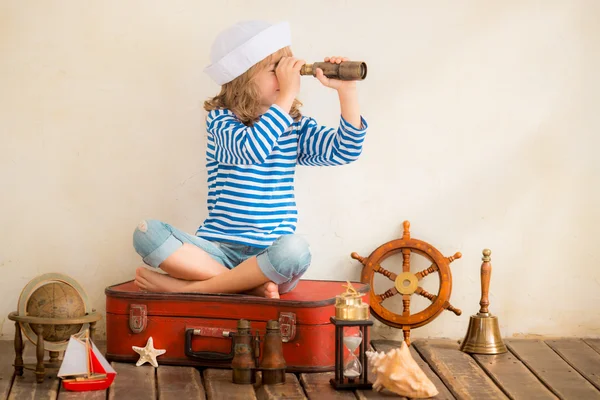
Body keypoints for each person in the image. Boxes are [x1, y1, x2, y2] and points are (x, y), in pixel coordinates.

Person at [132, 20, 368, 298]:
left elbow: (345, 150)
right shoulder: (221, 120)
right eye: (275, 71)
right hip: (216, 251)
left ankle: (192, 288)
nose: (286, 79)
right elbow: (251, 149)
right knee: (146, 233)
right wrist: (288, 95)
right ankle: (249, 287)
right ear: (242, 77)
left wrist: (347, 92)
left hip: (269, 258)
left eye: (288, 68)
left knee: (295, 250)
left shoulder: (293, 125)